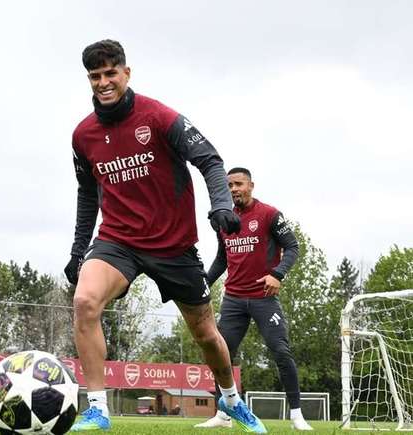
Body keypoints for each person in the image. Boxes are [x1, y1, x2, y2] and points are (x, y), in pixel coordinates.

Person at [65, 40, 265, 433]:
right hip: (117, 241)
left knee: (206, 334)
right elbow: (88, 195)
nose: (103, 83)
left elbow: (209, 159)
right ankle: (97, 409)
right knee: (85, 301)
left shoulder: (159, 117)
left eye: (110, 73)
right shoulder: (83, 135)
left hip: (173, 245)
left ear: (126, 72)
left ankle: (232, 399)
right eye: (95, 76)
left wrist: (221, 204)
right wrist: (77, 250)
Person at [195, 167, 312, 431]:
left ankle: (296, 416)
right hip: (233, 299)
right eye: (229, 185)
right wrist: (203, 284)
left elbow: (293, 246)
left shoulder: (269, 214)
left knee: (281, 351)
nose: (234, 189)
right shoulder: (225, 220)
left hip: (263, 298)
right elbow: (223, 257)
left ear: (251, 186)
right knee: (220, 353)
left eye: (238, 184)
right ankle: (223, 415)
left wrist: (277, 274)